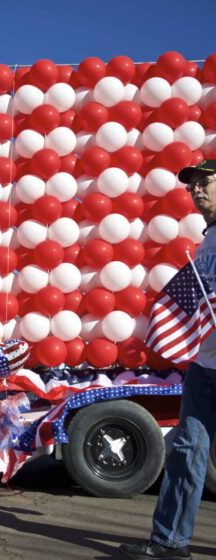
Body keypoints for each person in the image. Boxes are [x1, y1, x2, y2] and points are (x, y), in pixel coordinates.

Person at [119, 160, 216, 560]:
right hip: (205, 367)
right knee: (186, 450)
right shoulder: (208, 239)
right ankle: (170, 543)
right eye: (192, 185)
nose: (196, 190)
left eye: (205, 182)